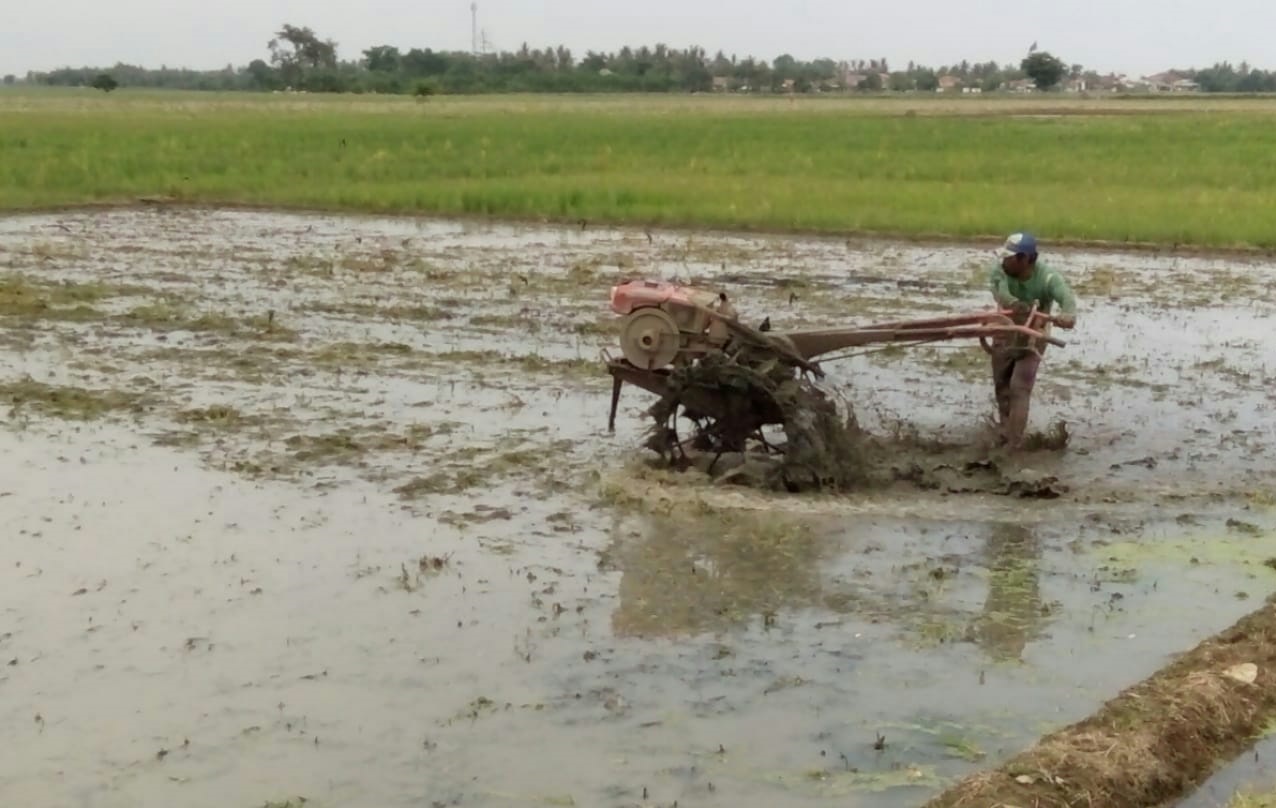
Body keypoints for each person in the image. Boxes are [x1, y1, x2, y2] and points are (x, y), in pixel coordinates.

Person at [986, 232, 1077, 449]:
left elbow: (1066, 296)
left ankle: (1013, 444)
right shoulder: (1000, 270)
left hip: (1033, 335)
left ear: (1025, 259)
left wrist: (1068, 314)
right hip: (1005, 329)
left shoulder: (1047, 277)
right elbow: (1002, 293)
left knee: (1020, 387)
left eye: (1010, 257)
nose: (1004, 261)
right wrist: (1016, 304)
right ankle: (1005, 429)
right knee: (1002, 386)